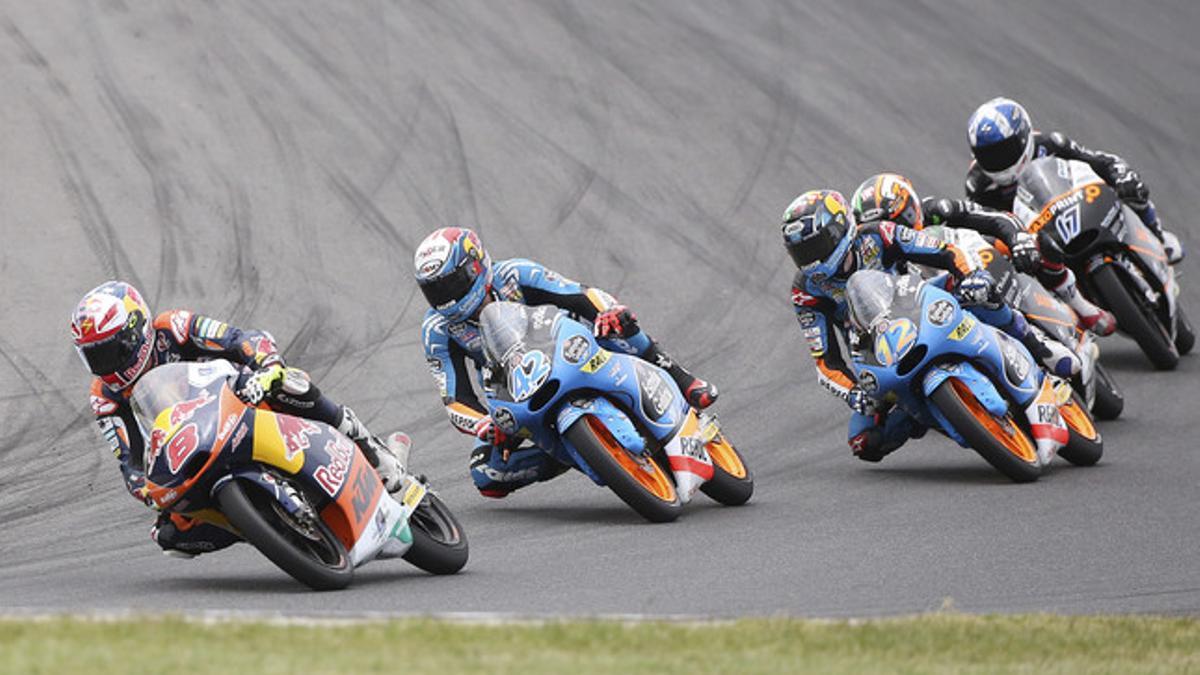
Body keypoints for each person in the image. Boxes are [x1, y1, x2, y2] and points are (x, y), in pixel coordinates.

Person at [70, 281, 408, 558]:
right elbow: (130, 459)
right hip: (190, 445)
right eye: (94, 356)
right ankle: (264, 526)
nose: (106, 364)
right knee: (170, 534)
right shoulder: (105, 396)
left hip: (240, 397)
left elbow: (239, 339)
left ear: (136, 331)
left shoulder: (173, 327)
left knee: (293, 384)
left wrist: (268, 366)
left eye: (110, 350)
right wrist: (146, 489)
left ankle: (374, 452)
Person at [415, 226, 717, 498]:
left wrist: (609, 311)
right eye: (435, 291)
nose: (446, 298)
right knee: (487, 476)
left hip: (572, 347)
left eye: (452, 284)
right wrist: (483, 424)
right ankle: (576, 453)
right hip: (517, 389)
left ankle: (680, 377)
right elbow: (455, 398)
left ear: (475, 265)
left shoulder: (515, 274)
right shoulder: (437, 330)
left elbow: (579, 294)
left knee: (619, 326)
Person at [783, 189, 1076, 463]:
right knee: (864, 442)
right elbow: (825, 361)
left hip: (921, 303)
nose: (811, 260)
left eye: (815, 246)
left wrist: (972, 275)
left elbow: (946, 252)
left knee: (980, 294)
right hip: (877, 348)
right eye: (801, 253)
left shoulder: (878, 234)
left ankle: (1038, 346)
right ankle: (937, 414)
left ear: (839, 230)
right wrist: (852, 392)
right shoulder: (806, 290)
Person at [851, 172, 1116, 335]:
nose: (897, 231)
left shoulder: (936, 208)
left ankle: (1080, 305)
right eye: (887, 227)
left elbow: (991, 217)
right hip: (942, 304)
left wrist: (1018, 239)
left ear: (913, 207)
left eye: (902, 220)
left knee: (1035, 243)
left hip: (980, 261)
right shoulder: (877, 262)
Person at [965, 96, 1184, 265]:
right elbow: (986, 225)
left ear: (1023, 136)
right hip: (1038, 239)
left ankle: (1159, 237)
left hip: (1078, 205)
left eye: (1004, 150)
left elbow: (1099, 161)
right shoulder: (978, 183)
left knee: (1132, 188)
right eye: (990, 155)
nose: (999, 160)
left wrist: (1121, 174)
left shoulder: (1050, 143)